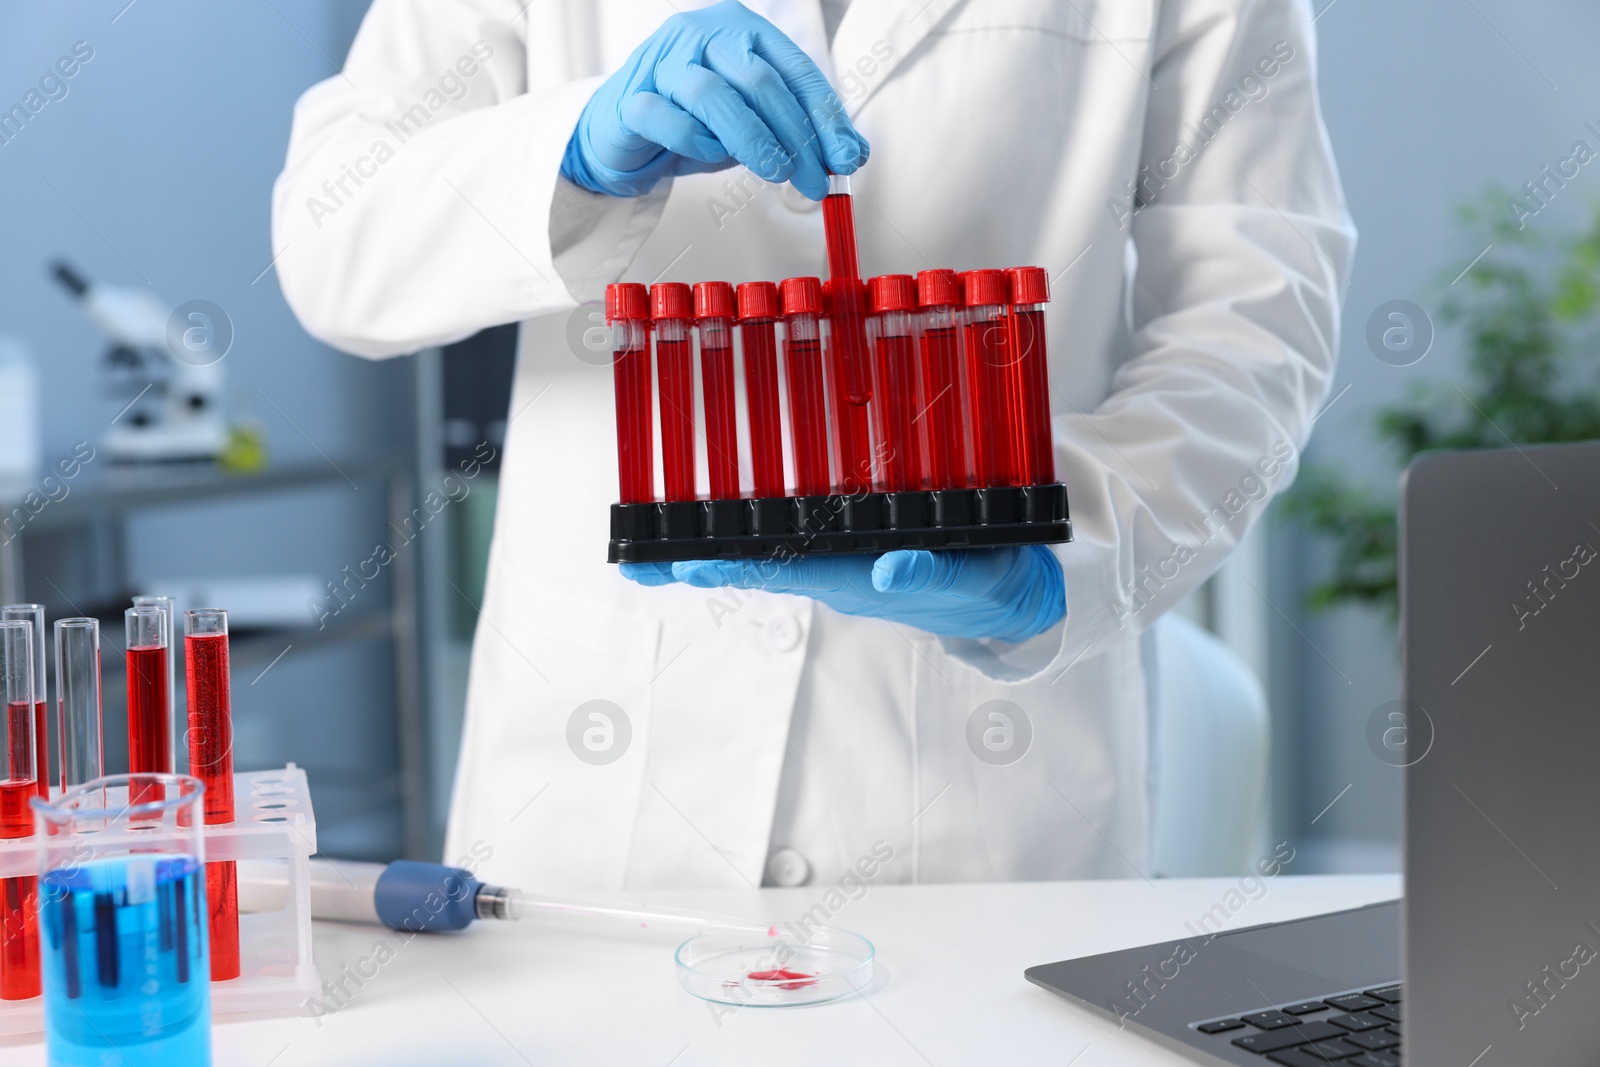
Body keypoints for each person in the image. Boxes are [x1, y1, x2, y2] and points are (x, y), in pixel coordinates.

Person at [273, 0, 1353, 892]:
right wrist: (574, 149)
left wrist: (1072, 555)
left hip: (979, 826)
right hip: (594, 816)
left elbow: (1252, 316)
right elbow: (330, 237)